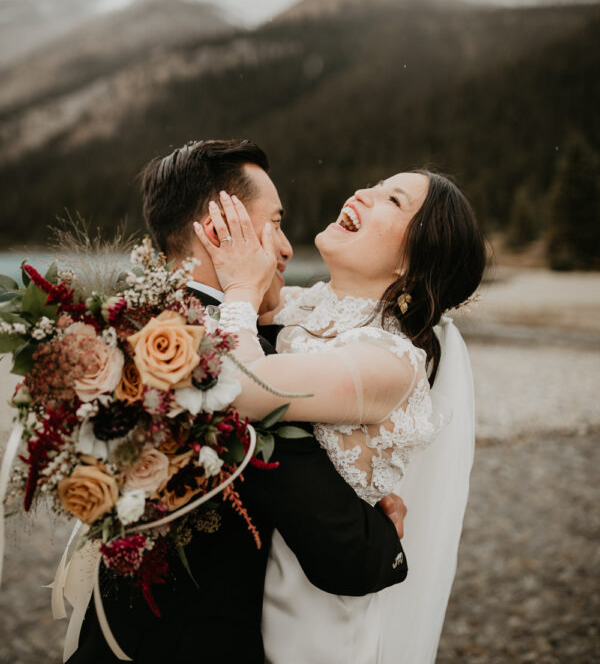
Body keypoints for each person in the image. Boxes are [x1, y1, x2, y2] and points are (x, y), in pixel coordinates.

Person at [68, 140, 408, 664]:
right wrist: (381, 528)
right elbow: (352, 559)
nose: (287, 248)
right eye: (276, 223)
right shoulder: (229, 367)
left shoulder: (121, 331)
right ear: (219, 230)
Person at [194, 166, 486, 664]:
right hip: (253, 585)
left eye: (393, 200)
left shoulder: (390, 362)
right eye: (375, 185)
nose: (363, 192)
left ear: (413, 265)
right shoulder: (305, 305)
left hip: (316, 617)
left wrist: (241, 286)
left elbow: (243, 388)